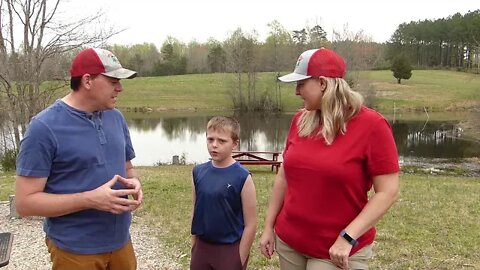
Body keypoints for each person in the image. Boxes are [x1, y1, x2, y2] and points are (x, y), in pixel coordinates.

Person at [259, 48, 400, 270]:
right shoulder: (300, 120)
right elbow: (284, 176)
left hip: (336, 250)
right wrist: (269, 226)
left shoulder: (372, 125)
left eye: (301, 84)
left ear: (323, 83)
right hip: (289, 241)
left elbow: (388, 191)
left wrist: (347, 237)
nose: (296, 92)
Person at [15, 48, 143, 270]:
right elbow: (25, 203)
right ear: (87, 81)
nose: (120, 87)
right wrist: (90, 199)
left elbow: (127, 168)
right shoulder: (43, 127)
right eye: (113, 80)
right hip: (74, 251)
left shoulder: (116, 117)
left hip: (121, 242)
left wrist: (134, 181)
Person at [190, 116, 257, 270]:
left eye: (221, 141)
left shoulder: (242, 177)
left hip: (229, 249)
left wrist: (239, 257)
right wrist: (195, 246)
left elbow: (251, 224)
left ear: (234, 144)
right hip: (202, 248)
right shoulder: (198, 172)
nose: (214, 145)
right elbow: (196, 211)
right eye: (210, 139)